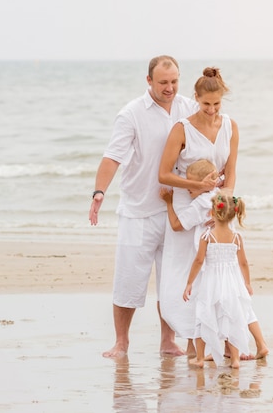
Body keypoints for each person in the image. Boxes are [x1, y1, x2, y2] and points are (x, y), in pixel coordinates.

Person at [89, 55, 202, 358]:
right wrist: (100, 192)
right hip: (137, 211)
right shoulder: (131, 114)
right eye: (163, 82)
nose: (170, 88)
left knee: (172, 282)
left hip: (175, 211)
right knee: (129, 280)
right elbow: (112, 157)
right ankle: (121, 342)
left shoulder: (189, 108)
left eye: (175, 81)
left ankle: (168, 341)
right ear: (149, 81)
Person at [157, 67, 238, 356]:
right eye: (206, 104)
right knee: (186, 277)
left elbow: (230, 174)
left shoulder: (230, 126)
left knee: (218, 276)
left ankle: (226, 339)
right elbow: (164, 174)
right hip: (187, 206)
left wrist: (223, 212)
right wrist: (198, 187)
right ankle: (192, 341)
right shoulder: (182, 128)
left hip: (216, 212)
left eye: (217, 104)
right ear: (196, 99)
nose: (212, 110)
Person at [160, 159, 269, 360]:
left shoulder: (202, 203)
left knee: (210, 307)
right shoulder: (222, 199)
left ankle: (209, 352)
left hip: (213, 267)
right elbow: (243, 260)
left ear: (206, 182)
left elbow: (177, 225)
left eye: (192, 183)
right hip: (231, 266)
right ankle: (257, 345)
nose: (189, 188)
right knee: (239, 307)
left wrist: (168, 202)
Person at [183, 192, 255, 369]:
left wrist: (189, 283)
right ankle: (236, 360)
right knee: (233, 317)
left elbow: (199, 261)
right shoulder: (237, 237)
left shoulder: (207, 236)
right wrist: (247, 283)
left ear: (213, 213)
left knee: (203, 316)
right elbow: (243, 262)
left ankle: (200, 358)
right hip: (232, 283)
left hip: (211, 283)